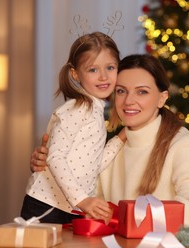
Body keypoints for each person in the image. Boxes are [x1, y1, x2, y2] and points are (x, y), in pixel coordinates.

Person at [30, 54, 189, 229]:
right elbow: (82, 202)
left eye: (142, 92)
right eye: (121, 91)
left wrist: (128, 217)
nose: (129, 101)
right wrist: (48, 167)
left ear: (161, 98)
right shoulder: (111, 148)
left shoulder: (182, 146)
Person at [21, 31, 124, 224]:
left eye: (110, 67)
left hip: (68, 206)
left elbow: (95, 164)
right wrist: (82, 200)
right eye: (93, 70)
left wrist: (120, 139)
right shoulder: (78, 109)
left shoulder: (95, 110)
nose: (103, 76)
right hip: (46, 204)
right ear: (75, 73)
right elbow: (55, 156)